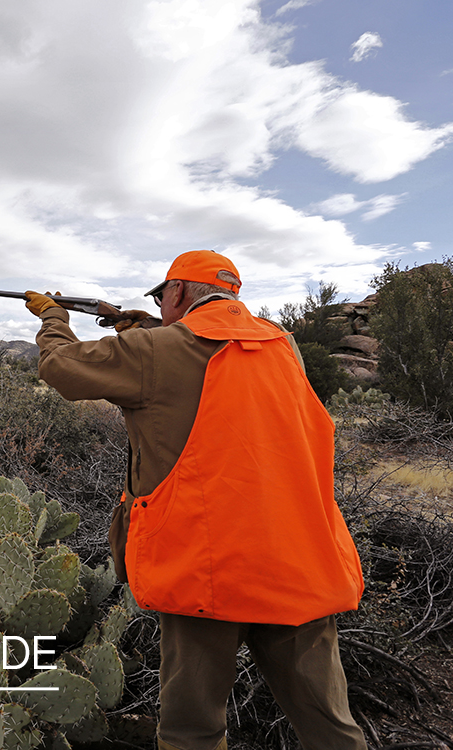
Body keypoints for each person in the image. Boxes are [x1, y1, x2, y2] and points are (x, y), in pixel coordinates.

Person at [24, 250, 367, 750]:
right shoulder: (283, 345)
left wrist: (54, 317)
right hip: (299, 562)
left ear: (180, 292)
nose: (161, 305)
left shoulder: (158, 349)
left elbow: (60, 366)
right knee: (331, 729)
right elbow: (202, 361)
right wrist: (138, 327)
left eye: (162, 295)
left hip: (207, 575)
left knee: (193, 734)